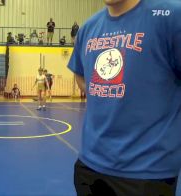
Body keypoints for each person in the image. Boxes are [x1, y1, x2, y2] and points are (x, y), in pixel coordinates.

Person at [68, 0, 181, 195]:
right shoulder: (89, 28)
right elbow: (79, 74)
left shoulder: (170, 16)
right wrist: (109, 90)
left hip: (146, 174)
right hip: (89, 167)